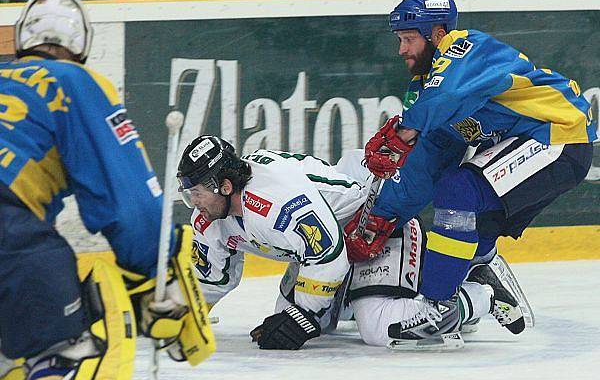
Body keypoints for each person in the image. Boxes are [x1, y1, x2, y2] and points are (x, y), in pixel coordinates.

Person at [0, 0, 211, 380]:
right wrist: (157, 273)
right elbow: (128, 200)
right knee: (71, 333)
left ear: (22, 40)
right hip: (11, 236)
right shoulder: (73, 80)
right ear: (81, 47)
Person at [344, 0, 595, 336]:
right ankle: (485, 269)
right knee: (468, 220)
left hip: (559, 135)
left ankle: (437, 307)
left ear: (437, 33)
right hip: (538, 143)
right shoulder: (427, 93)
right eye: (399, 40)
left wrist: (404, 132)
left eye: (408, 38)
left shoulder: (465, 48)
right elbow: (426, 166)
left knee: (458, 190)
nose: (401, 49)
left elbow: (448, 93)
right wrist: (383, 217)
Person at [176, 136, 523, 350]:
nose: (194, 202)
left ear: (224, 186)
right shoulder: (211, 217)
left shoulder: (274, 202)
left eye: (197, 192)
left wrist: (304, 316)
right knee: (296, 323)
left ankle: (478, 290)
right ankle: (383, 290)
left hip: (373, 226)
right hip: (328, 247)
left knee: (380, 328)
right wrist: (178, 315)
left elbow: (329, 258)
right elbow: (210, 278)